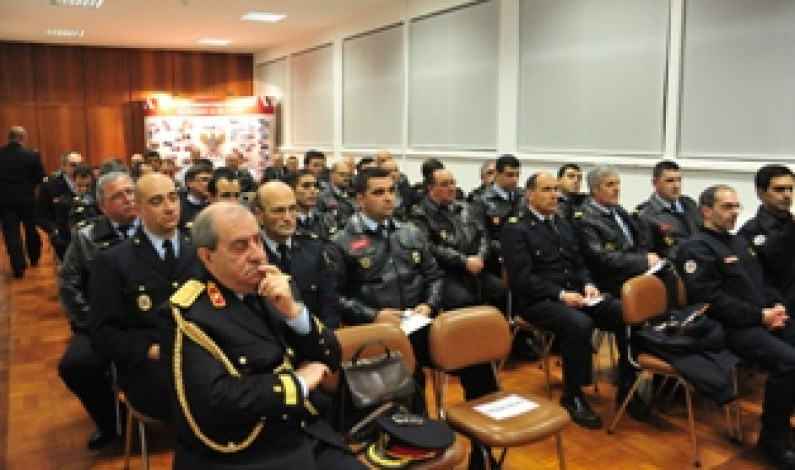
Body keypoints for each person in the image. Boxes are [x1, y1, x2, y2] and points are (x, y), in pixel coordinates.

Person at [158, 202, 365, 469]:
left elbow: (331, 356)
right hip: (243, 451)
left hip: (303, 431)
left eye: (257, 241)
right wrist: (299, 382)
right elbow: (215, 402)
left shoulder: (275, 286)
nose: (257, 255)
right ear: (207, 257)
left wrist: (294, 314)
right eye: (240, 246)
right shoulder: (187, 314)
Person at [326, 168, 497, 402]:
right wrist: (374, 315)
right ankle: (419, 435)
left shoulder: (410, 233)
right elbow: (334, 296)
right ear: (360, 199)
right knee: (410, 378)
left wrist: (429, 304)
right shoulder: (341, 242)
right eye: (378, 192)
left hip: (417, 324)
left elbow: (434, 276)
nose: (388, 197)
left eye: (391, 191)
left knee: (475, 357)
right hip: (376, 333)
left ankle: (483, 432)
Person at [502, 172, 646, 429]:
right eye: (546, 189)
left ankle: (627, 383)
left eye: (556, 189)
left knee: (626, 313)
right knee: (579, 325)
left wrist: (589, 285)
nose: (554, 195)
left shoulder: (562, 223)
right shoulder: (516, 228)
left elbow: (579, 264)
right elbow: (522, 279)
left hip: (576, 295)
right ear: (530, 195)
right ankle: (573, 395)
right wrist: (561, 295)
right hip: (539, 300)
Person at [676, 185, 795, 469]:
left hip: (757, 318)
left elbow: (762, 284)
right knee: (789, 362)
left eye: (736, 207)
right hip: (727, 328)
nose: (734, 213)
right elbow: (712, 301)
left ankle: (782, 422)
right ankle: (772, 439)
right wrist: (760, 316)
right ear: (706, 211)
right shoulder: (695, 248)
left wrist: (777, 308)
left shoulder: (738, 242)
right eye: (727, 207)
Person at [89, 173, 202, 422]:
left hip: (200, 354)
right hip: (150, 363)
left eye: (173, 198)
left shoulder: (199, 251)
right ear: (138, 208)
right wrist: (148, 351)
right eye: (157, 201)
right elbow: (103, 331)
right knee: (194, 400)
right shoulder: (115, 260)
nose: (169, 207)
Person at [58, 171, 138, 449]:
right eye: (119, 196)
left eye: (131, 192)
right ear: (102, 206)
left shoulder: (153, 229)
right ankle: (113, 421)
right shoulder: (85, 237)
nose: (129, 200)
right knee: (76, 365)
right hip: (99, 321)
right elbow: (69, 285)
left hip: (146, 322)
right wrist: (94, 324)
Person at [410, 168, 506, 312]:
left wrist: (480, 257)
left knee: (500, 290)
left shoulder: (466, 208)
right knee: (462, 300)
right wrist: (463, 261)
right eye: (444, 184)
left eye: (453, 183)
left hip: (474, 267)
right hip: (446, 273)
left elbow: (483, 235)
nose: (451, 188)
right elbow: (429, 246)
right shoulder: (420, 214)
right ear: (431, 188)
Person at [254, 181, 340, 329]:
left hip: (314, 336)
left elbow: (329, 304)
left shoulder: (313, 248)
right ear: (259, 214)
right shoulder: (253, 255)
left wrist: (325, 340)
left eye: (292, 209)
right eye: (278, 211)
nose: (288, 218)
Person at [573, 165, 660, 297]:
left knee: (668, 275)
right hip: (611, 280)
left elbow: (639, 239)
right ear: (595, 190)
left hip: (634, 271)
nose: (616, 189)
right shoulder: (585, 219)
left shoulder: (618, 210)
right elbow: (602, 258)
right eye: (610, 185)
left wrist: (648, 259)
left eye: (618, 184)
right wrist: (642, 261)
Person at [738, 164, 795, 310]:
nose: (787, 195)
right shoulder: (749, 232)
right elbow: (755, 279)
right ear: (761, 193)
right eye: (779, 189)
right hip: (777, 308)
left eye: (790, 189)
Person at [0, 126, 45, 277]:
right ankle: (34, 257)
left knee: (11, 232)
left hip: (5, 199)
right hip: (27, 197)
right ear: (23, 138)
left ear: (9, 138)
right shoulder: (32, 155)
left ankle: (18, 266)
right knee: (31, 228)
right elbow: (40, 176)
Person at [470, 154, 525, 277]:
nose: (515, 179)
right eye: (510, 175)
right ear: (497, 174)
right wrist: (508, 250)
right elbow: (482, 235)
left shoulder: (523, 197)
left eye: (517, 175)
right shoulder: (481, 200)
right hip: (495, 259)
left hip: (522, 255)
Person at [635, 160, 702, 260]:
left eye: (679, 180)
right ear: (655, 183)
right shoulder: (644, 216)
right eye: (670, 181)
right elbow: (647, 255)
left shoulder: (689, 204)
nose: (676, 186)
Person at [38, 150, 83, 260]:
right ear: (63, 167)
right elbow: (39, 215)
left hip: (85, 236)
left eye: (80, 165)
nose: (77, 169)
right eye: (73, 165)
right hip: (63, 237)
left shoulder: (90, 183)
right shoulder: (50, 186)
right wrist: (54, 231)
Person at [286, 170, 340, 242]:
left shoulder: (326, 219)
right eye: (306, 186)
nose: (313, 190)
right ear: (291, 190)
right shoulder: (287, 223)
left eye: (315, 186)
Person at [316, 161, 355, 227]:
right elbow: (319, 221)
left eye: (348, 175)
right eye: (342, 174)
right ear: (331, 175)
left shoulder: (352, 194)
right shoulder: (322, 196)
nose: (346, 178)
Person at [178, 162, 213, 234]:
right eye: (204, 180)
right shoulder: (179, 206)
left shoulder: (214, 204)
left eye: (211, 181)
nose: (209, 184)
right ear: (189, 183)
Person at [66, 164, 101, 230]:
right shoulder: (65, 201)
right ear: (73, 182)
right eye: (80, 186)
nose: (83, 189)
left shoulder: (98, 199)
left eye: (87, 186)